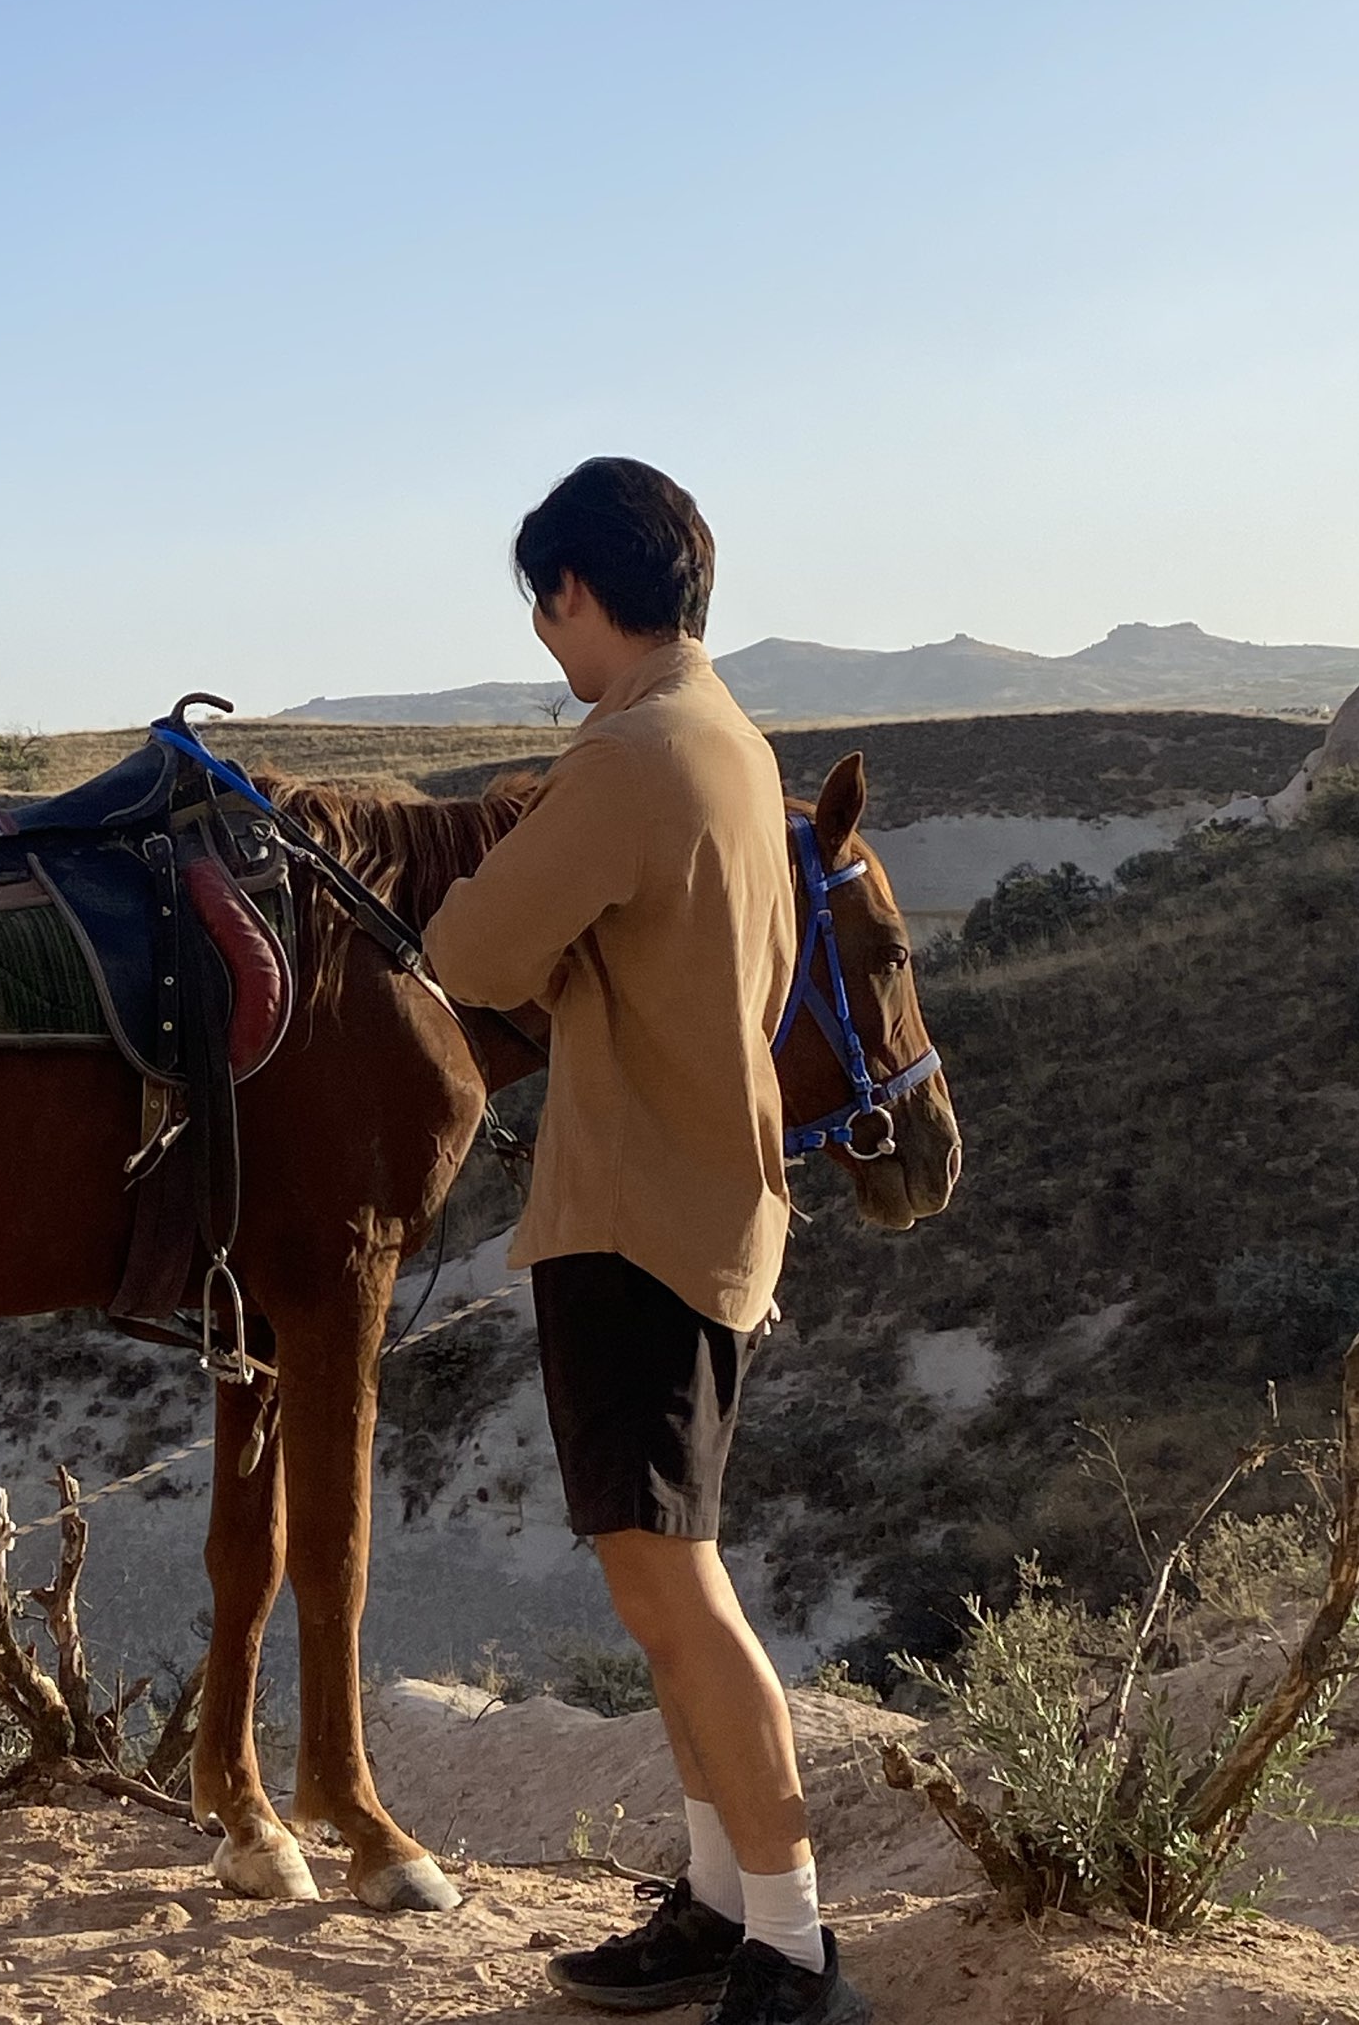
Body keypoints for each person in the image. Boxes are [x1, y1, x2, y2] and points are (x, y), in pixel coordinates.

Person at [421, 458, 868, 2025]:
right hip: (707, 1201)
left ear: (576, 594)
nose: (548, 644)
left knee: (676, 1589)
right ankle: (717, 1903)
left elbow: (467, 947)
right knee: (665, 1586)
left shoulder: (626, 755)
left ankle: (796, 1949)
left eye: (543, 610)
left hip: (636, 1220)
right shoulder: (733, 739)